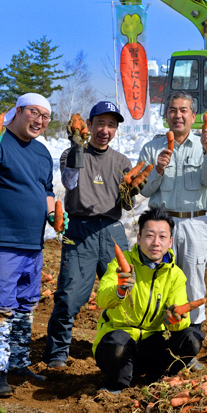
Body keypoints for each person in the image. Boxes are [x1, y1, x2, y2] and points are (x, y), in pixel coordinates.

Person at [0, 93, 66, 397]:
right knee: (1, 306)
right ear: (18, 111)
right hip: (1, 239)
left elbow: (45, 190)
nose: (40, 121)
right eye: (35, 113)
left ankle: (18, 362)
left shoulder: (42, 153)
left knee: (25, 306)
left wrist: (52, 215)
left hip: (33, 241)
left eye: (46, 117)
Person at [43, 101, 139, 369]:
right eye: (100, 123)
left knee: (123, 291)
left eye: (111, 125)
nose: (105, 130)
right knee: (70, 294)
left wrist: (131, 193)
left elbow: (129, 204)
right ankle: (57, 354)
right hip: (80, 228)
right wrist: (77, 147)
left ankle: (124, 348)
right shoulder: (72, 153)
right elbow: (70, 182)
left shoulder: (122, 162)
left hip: (112, 231)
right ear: (89, 125)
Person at [138, 91, 207, 333]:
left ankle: (191, 337)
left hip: (193, 223)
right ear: (166, 115)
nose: (178, 115)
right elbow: (143, 190)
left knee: (193, 279)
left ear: (193, 116)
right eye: (173, 110)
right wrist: (157, 169)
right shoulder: (151, 148)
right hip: (160, 226)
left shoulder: (204, 145)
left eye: (183, 110)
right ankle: (155, 334)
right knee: (156, 277)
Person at [93, 206, 205, 393]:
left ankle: (158, 378)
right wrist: (120, 291)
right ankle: (117, 383)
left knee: (192, 338)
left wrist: (174, 319)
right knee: (117, 342)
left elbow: (178, 321)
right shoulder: (122, 264)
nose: (155, 243)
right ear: (139, 238)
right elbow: (102, 299)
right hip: (118, 346)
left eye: (162, 237)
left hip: (152, 346)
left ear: (170, 242)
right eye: (149, 235)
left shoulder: (176, 275)